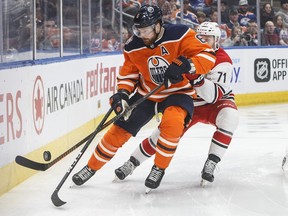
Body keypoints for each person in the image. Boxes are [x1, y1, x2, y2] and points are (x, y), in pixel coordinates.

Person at [72, 5, 216, 191]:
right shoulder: (133, 46)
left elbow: (207, 55)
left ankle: (159, 168)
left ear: (157, 26)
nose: (142, 35)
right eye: (138, 30)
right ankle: (90, 168)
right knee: (118, 130)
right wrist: (122, 94)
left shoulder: (180, 33)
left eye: (146, 30)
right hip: (147, 94)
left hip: (178, 92)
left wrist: (186, 65)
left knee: (173, 124)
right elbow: (128, 75)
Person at [114, 21, 239, 186]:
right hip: (190, 103)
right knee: (164, 133)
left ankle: (212, 163)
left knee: (230, 117)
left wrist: (194, 75)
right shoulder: (185, 52)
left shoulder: (222, 60)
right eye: (199, 37)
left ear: (216, 41)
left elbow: (212, 96)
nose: (202, 41)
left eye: (207, 39)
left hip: (215, 104)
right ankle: (132, 162)